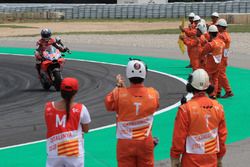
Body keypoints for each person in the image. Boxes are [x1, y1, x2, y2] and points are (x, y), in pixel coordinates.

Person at [105, 58, 160, 167]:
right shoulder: (153, 94)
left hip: (125, 143)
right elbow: (155, 106)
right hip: (145, 142)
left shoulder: (119, 94)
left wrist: (118, 87)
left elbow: (108, 104)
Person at [170, 69, 227, 167]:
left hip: (191, 160)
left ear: (191, 85)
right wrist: (220, 156)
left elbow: (179, 137)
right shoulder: (218, 107)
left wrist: (175, 157)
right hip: (211, 158)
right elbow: (222, 136)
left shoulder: (185, 109)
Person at [44, 77, 91, 167]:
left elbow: (50, 125)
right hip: (74, 152)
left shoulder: (48, 107)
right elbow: (86, 129)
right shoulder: (81, 108)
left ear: (61, 91)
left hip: (54, 152)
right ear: (75, 92)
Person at [200, 25, 225, 99]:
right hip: (218, 63)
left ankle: (210, 94)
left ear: (210, 33)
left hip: (210, 63)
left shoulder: (210, 44)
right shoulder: (221, 42)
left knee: (209, 78)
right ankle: (214, 93)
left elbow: (203, 52)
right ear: (217, 33)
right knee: (215, 79)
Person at [216, 19, 234, 98]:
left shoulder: (222, 35)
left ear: (221, 27)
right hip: (223, 57)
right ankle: (218, 91)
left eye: (218, 26)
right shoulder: (224, 34)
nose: (217, 27)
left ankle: (228, 91)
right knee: (219, 75)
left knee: (221, 75)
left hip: (222, 58)